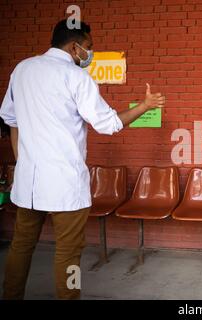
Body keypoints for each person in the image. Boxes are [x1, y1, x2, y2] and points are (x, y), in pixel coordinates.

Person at [0, 18, 165, 299]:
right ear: (75, 47)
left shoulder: (22, 70)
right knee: (68, 253)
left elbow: (11, 120)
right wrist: (145, 106)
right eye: (88, 47)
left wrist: (22, 161)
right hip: (65, 185)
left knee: (21, 246)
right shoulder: (76, 77)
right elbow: (109, 124)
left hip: (27, 183)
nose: (90, 54)